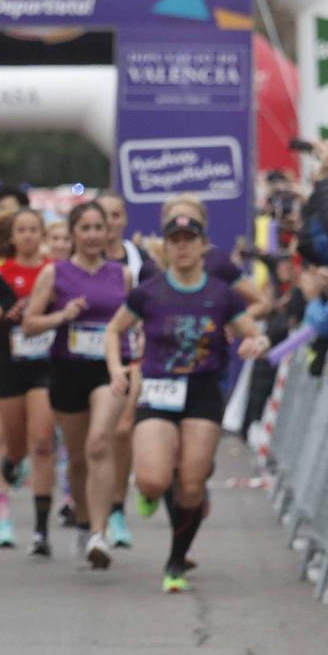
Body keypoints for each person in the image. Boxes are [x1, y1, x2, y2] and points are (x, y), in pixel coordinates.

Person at [104, 211, 268, 593]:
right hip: (159, 389)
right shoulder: (150, 291)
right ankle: (153, 491)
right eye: (174, 240)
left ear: (202, 246)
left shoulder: (221, 294)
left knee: (192, 485)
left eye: (188, 239)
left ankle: (176, 560)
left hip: (202, 392)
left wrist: (254, 343)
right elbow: (115, 329)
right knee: (151, 478)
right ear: (166, 246)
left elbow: (255, 334)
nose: (181, 247)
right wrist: (117, 369)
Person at [22, 201, 134, 568]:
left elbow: (135, 320)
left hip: (110, 369)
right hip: (67, 370)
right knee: (78, 459)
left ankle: (100, 533)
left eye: (97, 228)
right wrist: (62, 315)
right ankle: (85, 524)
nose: (91, 235)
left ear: (108, 232)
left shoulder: (122, 275)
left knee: (100, 442)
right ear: (72, 234)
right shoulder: (55, 274)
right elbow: (29, 324)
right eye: (84, 228)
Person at [0, 206, 57, 555]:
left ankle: (40, 531)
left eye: (32, 229)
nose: (26, 236)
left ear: (42, 234)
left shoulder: (52, 270)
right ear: (11, 237)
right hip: (7, 361)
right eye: (20, 230)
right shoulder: (1, 272)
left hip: (44, 363)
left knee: (42, 442)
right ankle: (11, 462)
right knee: (15, 445)